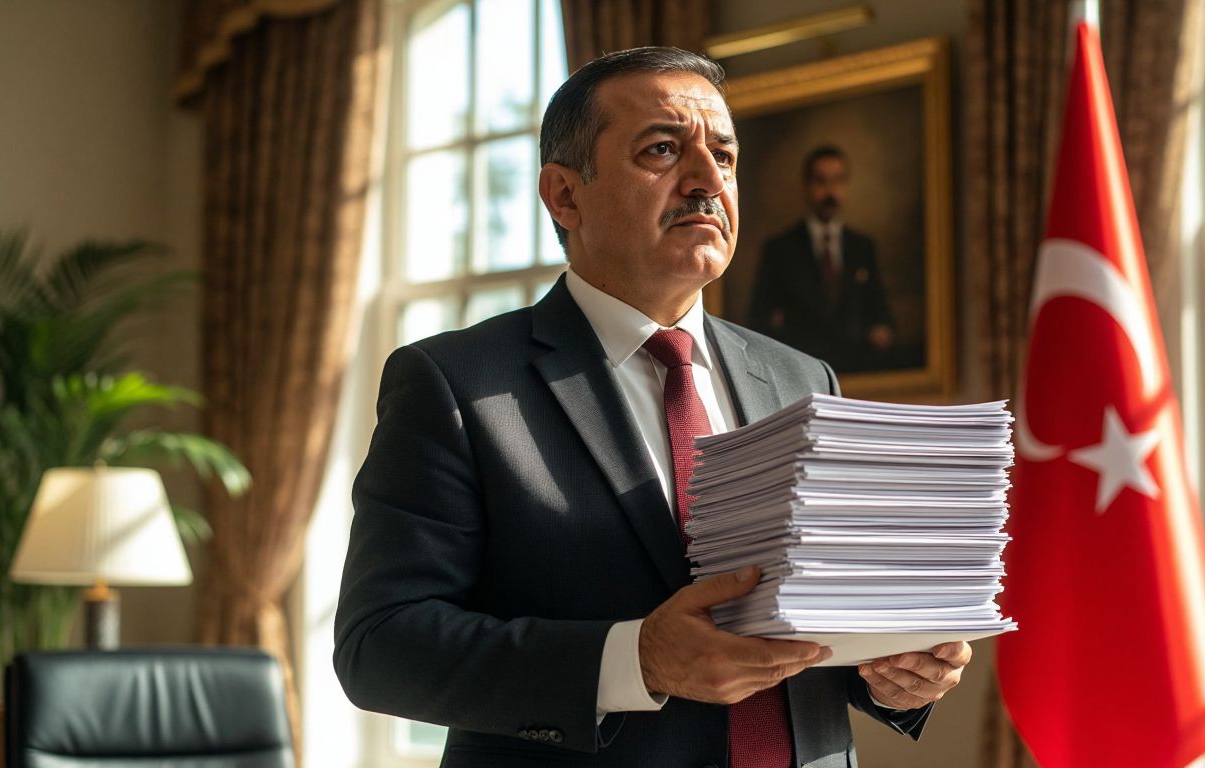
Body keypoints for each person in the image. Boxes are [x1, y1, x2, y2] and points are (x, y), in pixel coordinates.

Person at [334, 47, 971, 768]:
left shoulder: (803, 379)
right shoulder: (454, 384)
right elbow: (379, 646)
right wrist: (634, 661)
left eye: (724, 157)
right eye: (663, 150)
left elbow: (829, 621)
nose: (707, 181)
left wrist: (896, 677)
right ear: (564, 196)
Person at [748, 146, 897, 374]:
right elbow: (760, 321)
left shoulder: (863, 247)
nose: (830, 191)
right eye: (821, 181)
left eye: (837, 180)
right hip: (800, 370)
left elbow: (880, 314)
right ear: (807, 186)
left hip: (858, 371)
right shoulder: (779, 249)